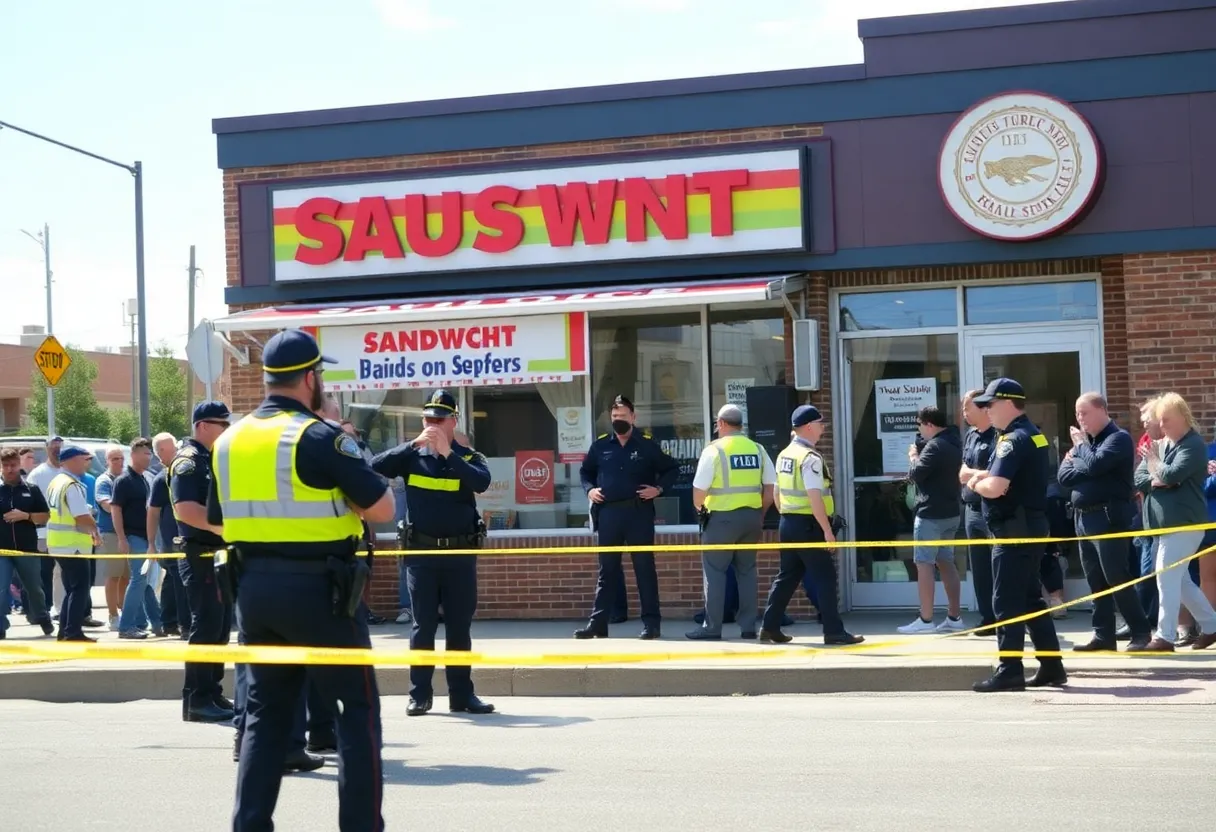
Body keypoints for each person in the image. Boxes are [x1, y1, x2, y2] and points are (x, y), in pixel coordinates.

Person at [209, 329, 394, 832]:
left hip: (254, 591)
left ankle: (250, 825)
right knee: (354, 713)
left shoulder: (228, 441)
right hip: (322, 593)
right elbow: (382, 508)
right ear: (311, 378)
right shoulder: (318, 436)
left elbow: (219, 519)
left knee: (264, 717)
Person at [371, 389, 496, 717]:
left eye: (439, 420)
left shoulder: (469, 457)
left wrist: (449, 454)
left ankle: (462, 695)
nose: (433, 425)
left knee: (459, 628)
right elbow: (375, 465)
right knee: (422, 627)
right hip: (422, 556)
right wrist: (413, 444)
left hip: (459, 556)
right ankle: (419, 695)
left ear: (454, 420)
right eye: (428, 419)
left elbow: (481, 483)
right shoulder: (412, 457)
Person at [966, 378, 1066, 692]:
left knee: (1006, 602)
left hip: (1013, 531)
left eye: (990, 404)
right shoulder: (1032, 434)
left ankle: (1009, 670)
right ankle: (1052, 666)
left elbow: (996, 487)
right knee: (1030, 599)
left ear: (1008, 403)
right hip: (1029, 527)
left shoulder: (1011, 440)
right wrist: (987, 477)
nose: (987, 410)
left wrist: (974, 482)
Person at [575, 394, 678, 640]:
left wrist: (659, 489)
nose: (618, 420)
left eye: (622, 416)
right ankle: (598, 623)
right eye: (614, 416)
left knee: (644, 569)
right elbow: (585, 472)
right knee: (607, 570)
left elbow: (671, 469)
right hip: (609, 513)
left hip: (638, 512)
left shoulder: (647, 444)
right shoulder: (600, 445)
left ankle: (651, 624)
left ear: (633, 417)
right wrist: (590, 490)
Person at [759, 405, 863, 646]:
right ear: (808, 427)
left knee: (787, 576)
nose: (823, 428)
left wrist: (787, 515)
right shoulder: (809, 458)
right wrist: (827, 530)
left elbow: (777, 492)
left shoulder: (784, 454)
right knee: (825, 577)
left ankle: (770, 626)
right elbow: (814, 495)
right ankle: (834, 632)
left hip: (789, 522)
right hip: (809, 525)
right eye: (819, 424)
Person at [1057, 392, 1150, 651]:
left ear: (1101, 410)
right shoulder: (1088, 444)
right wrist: (1083, 457)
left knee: (1116, 576)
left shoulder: (1117, 438)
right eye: (1077, 414)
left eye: (1084, 413)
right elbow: (1064, 476)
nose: (1080, 419)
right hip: (1083, 518)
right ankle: (1103, 635)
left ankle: (1140, 632)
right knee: (1095, 579)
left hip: (1108, 517)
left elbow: (1095, 466)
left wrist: (1080, 449)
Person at [170, 403, 237, 723]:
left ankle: (212, 691)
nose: (226, 430)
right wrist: (225, 529)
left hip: (217, 553)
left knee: (220, 627)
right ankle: (197, 699)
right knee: (206, 627)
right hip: (201, 553)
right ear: (202, 426)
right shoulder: (188, 461)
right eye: (222, 424)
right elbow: (185, 509)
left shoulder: (210, 459)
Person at [1135, 393, 1216, 652]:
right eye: (1160, 420)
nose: (1162, 425)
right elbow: (1139, 478)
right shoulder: (1162, 444)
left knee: (1166, 577)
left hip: (1185, 524)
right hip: (1164, 526)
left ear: (1182, 416)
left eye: (1166, 419)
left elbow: (1173, 474)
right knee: (1180, 582)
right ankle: (1212, 626)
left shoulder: (1193, 445)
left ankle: (1165, 636)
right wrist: (1157, 478)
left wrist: (1155, 464)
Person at [686, 404, 774, 640]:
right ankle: (748, 627)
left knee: (715, 573)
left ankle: (712, 628)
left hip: (721, 520)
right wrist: (760, 514)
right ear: (741, 425)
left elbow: (698, 491)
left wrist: (701, 511)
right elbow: (770, 488)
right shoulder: (757, 449)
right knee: (747, 571)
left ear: (722, 423)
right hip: (751, 518)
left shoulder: (714, 450)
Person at [898, 405, 964, 634]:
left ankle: (925, 620)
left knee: (924, 564)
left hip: (930, 514)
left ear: (929, 424)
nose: (919, 431)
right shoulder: (954, 442)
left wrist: (913, 455)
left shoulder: (935, 446)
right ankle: (954, 617)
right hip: (951, 512)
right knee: (946, 562)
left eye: (919, 425)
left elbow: (916, 473)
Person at [44, 445, 103, 642]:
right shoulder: (71, 485)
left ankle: (65, 631)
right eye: (83, 459)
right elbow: (81, 516)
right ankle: (73, 632)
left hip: (59, 544)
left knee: (71, 589)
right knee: (80, 589)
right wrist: (95, 530)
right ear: (71, 460)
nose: (86, 463)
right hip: (73, 545)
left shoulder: (56, 482)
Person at [0, 447, 53, 637]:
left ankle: (42, 617)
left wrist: (26, 516)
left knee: (34, 588)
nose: (10, 469)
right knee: (1, 588)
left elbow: (45, 516)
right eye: (6, 465)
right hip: (2, 551)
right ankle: (1, 625)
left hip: (27, 548)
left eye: (13, 465)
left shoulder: (31, 489)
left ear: (19, 464)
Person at [958, 389, 997, 635]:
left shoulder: (999, 434)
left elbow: (997, 472)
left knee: (999, 566)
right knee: (980, 568)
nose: (964, 413)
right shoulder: (971, 435)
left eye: (967, 407)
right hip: (972, 509)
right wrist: (978, 474)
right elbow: (962, 472)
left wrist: (974, 474)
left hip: (992, 508)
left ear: (982, 407)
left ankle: (1007, 618)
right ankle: (988, 619)